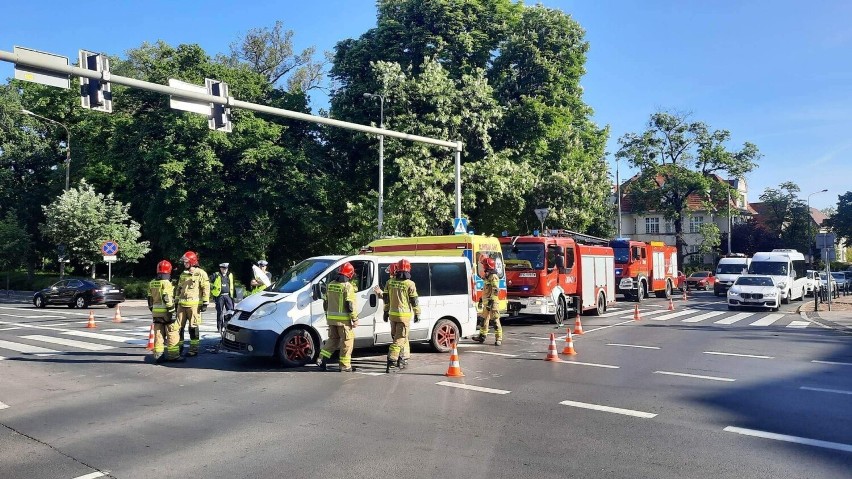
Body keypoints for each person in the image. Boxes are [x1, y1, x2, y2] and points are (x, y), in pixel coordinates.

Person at [316, 262, 359, 372]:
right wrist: (354, 319)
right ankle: (345, 366)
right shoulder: (347, 286)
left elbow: (325, 303)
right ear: (350, 274)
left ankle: (321, 359)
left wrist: (327, 316)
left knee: (333, 340)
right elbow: (349, 305)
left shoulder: (330, 284)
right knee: (347, 342)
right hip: (344, 321)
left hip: (331, 319)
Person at [383, 259, 420, 373]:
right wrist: (417, 313)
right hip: (403, 317)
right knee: (399, 339)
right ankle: (392, 361)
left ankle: (402, 358)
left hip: (392, 316)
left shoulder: (390, 282)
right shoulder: (410, 284)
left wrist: (385, 311)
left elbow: (386, 299)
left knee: (399, 338)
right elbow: (414, 301)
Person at [147, 260, 183, 363]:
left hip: (156, 312)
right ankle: (173, 355)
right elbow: (166, 297)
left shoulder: (152, 282)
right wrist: (172, 311)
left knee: (158, 332)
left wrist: (152, 309)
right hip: (166, 312)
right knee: (172, 331)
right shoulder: (166, 283)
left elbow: (149, 298)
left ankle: (158, 355)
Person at [176, 251, 210, 357]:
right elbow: (179, 288)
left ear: (192, 261)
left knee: (193, 327)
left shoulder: (201, 273)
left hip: (194, 306)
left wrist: (205, 302)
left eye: (186, 262)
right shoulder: (183, 274)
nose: (184, 264)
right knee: (178, 328)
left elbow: (206, 288)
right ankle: (178, 347)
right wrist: (176, 301)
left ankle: (193, 349)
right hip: (181, 306)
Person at [474, 256, 503, 346]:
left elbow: (495, 290)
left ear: (487, 266)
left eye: (484, 265)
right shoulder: (487, 276)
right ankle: (482, 336)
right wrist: (481, 300)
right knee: (484, 320)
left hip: (492, 303)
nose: (483, 267)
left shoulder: (493, 277)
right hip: (487, 302)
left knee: (495, 320)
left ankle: (498, 338)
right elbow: (486, 290)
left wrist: (491, 301)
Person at [210, 262, 235, 333]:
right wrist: (213, 288)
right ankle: (219, 328)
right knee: (220, 312)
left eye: (226, 268)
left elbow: (232, 285)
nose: (225, 270)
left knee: (230, 312)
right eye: (223, 268)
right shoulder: (216, 275)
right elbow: (208, 282)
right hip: (219, 296)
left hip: (228, 296)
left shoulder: (230, 275)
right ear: (220, 268)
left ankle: (227, 327)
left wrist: (232, 296)